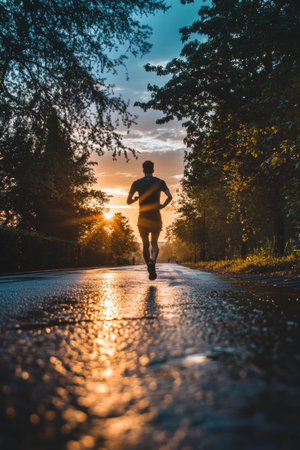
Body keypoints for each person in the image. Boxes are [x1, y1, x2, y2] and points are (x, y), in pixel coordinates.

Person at [127, 160, 172, 280]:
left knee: (145, 244)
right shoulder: (160, 182)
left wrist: (136, 199)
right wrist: (162, 205)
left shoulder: (136, 183)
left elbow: (128, 201)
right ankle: (153, 262)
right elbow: (170, 197)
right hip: (155, 216)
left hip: (143, 217)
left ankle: (149, 268)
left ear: (143, 170)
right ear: (153, 170)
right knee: (154, 243)